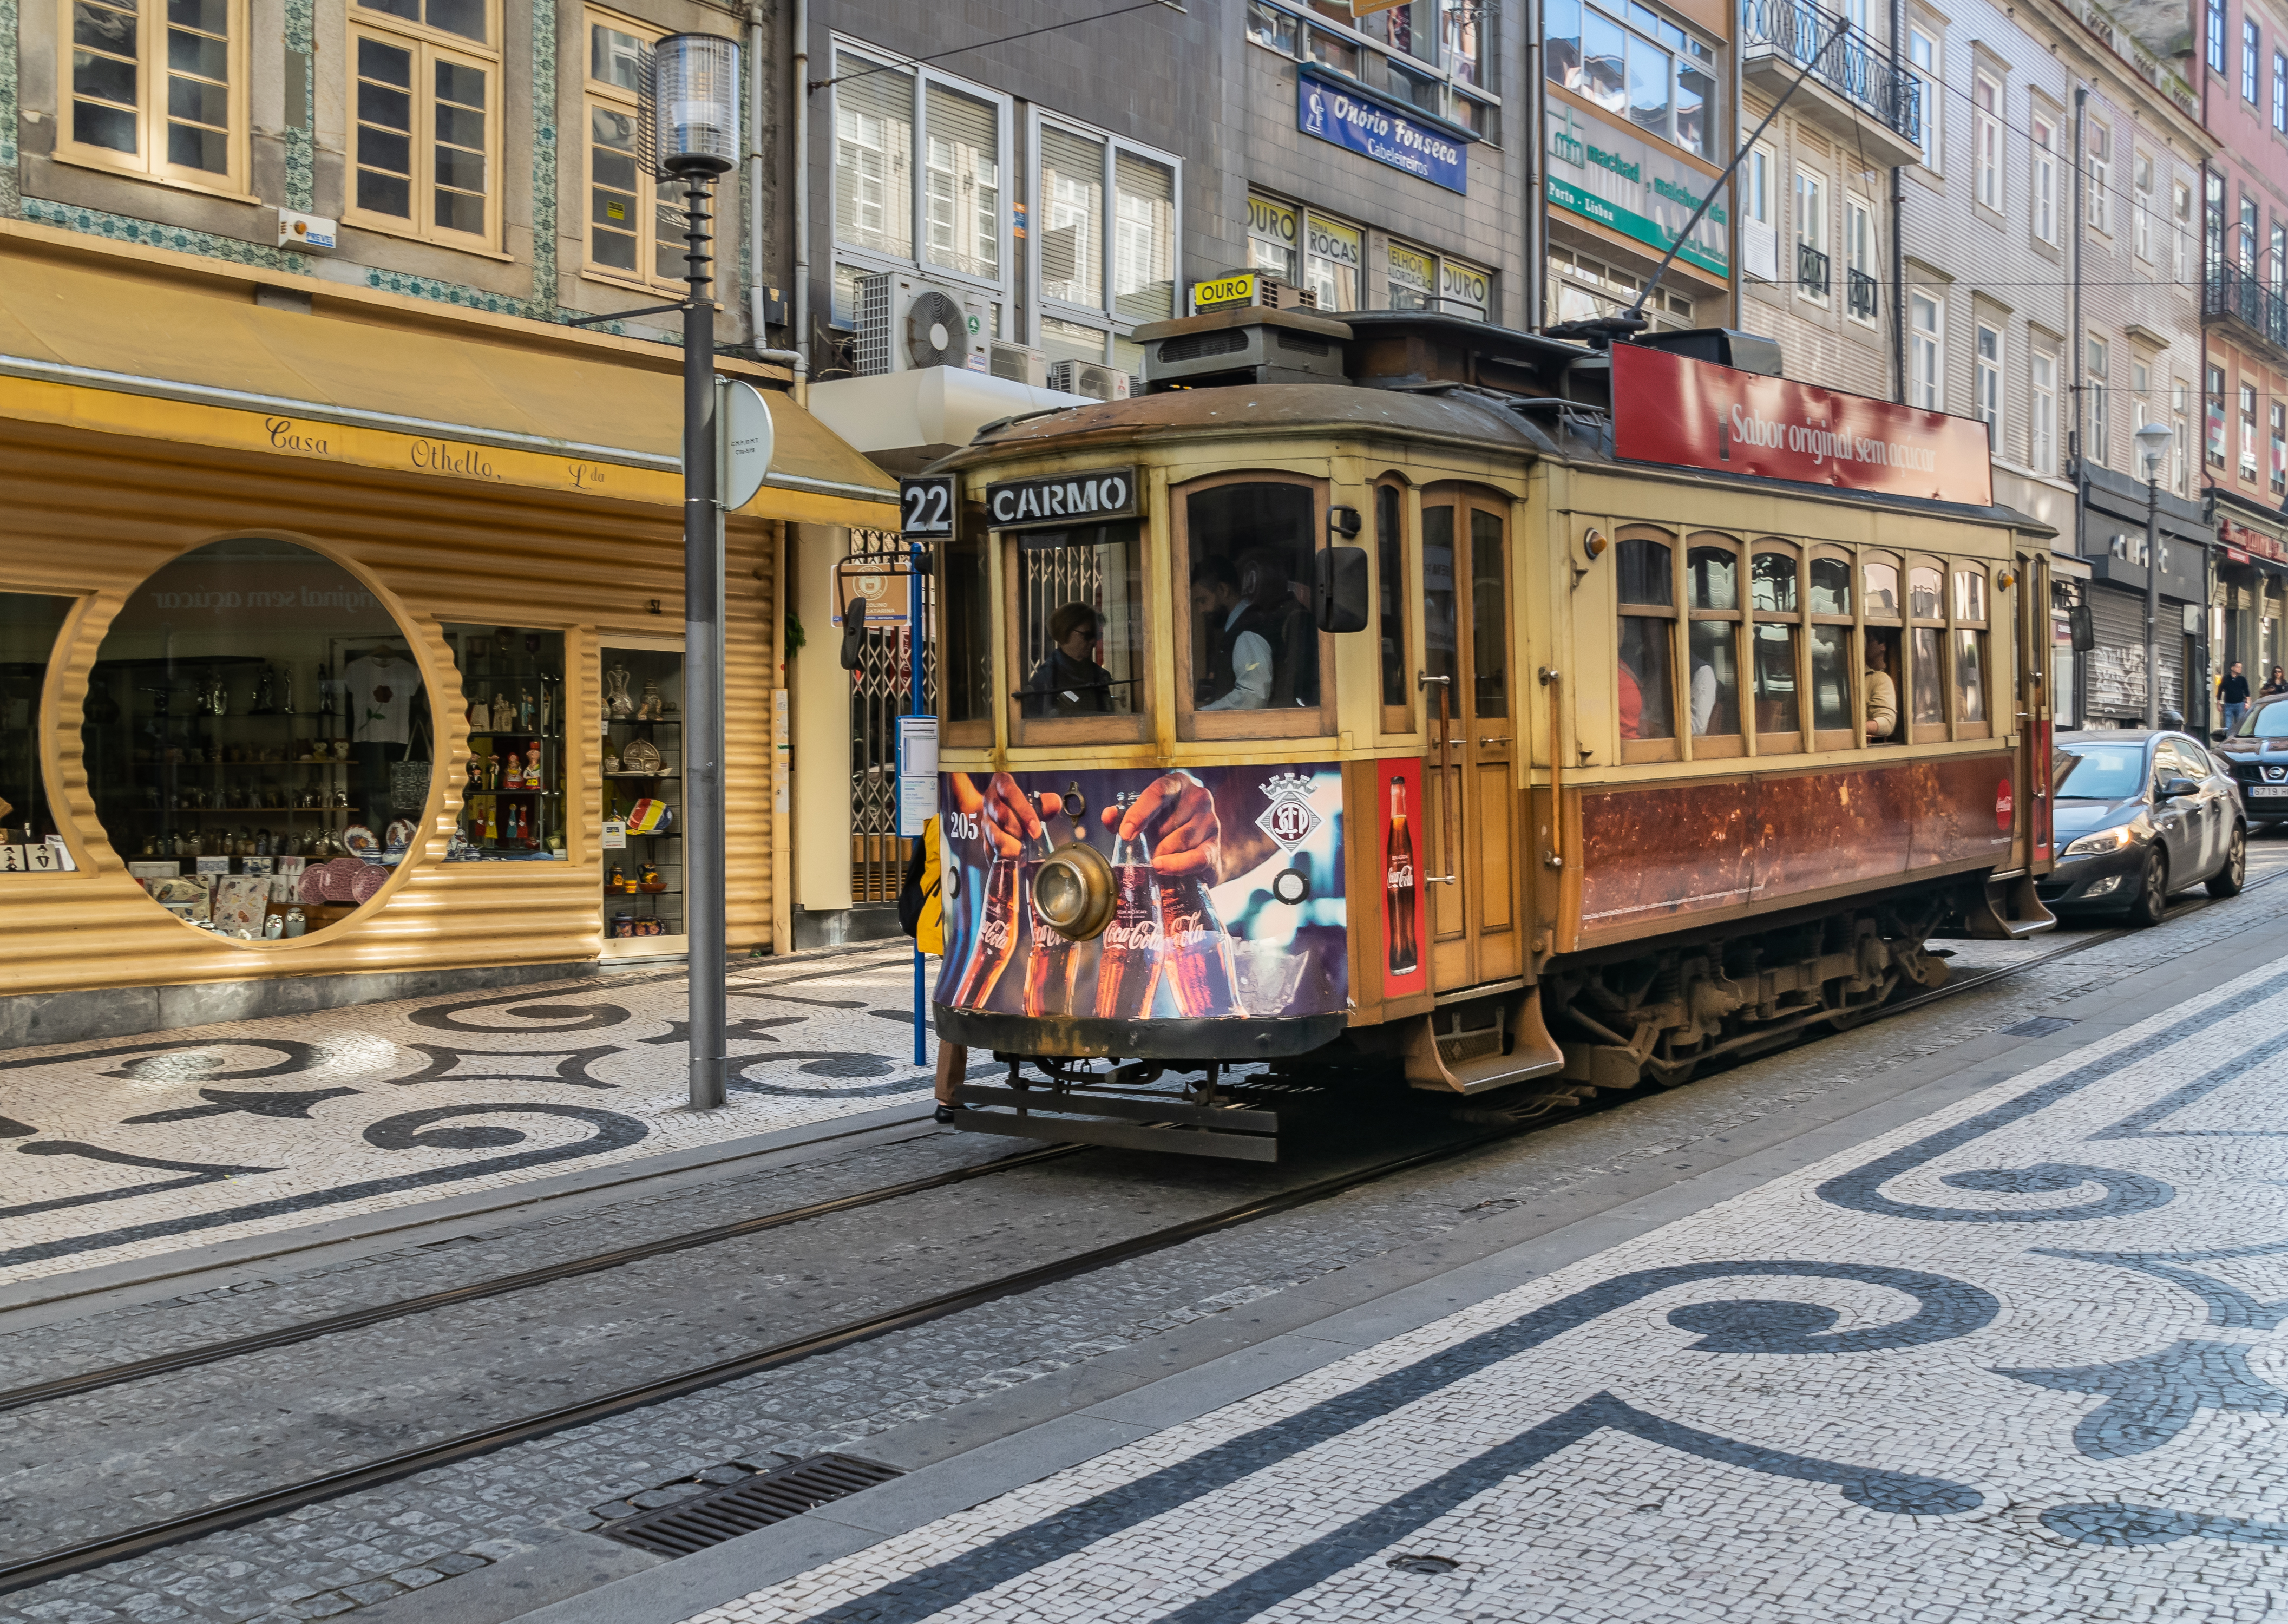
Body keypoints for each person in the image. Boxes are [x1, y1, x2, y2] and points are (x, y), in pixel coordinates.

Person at [1192, 556, 1274, 710]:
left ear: (1223, 590)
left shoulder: (1247, 631)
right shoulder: (1239, 629)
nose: (1200, 610)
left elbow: (1252, 697)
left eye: (1203, 601)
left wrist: (1202, 715)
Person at [1021, 602, 1113, 717]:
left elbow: (1108, 717)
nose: (1094, 642)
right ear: (1065, 631)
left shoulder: (1100, 675)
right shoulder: (1046, 678)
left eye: (1097, 636)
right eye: (1088, 635)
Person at [1864, 637, 1899, 741]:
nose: (1866, 646)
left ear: (1883, 645)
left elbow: (1887, 722)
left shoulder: (1879, 678)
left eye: (1870, 641)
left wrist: (1852, 729)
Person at [2221, 661, 2252, 734]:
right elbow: (2220, 690)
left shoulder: (2242, 679)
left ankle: (2238, 740)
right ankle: (2228, 741)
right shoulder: (2226, 678)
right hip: (2229, 705)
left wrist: (2248, 703)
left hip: (2240, 705)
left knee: (2240, 725)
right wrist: (2218, 703)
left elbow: (2247, 692)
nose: (2240, 669)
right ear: (2232, 668)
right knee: (2228, 726)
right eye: (2238, 667)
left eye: (2241, 667)